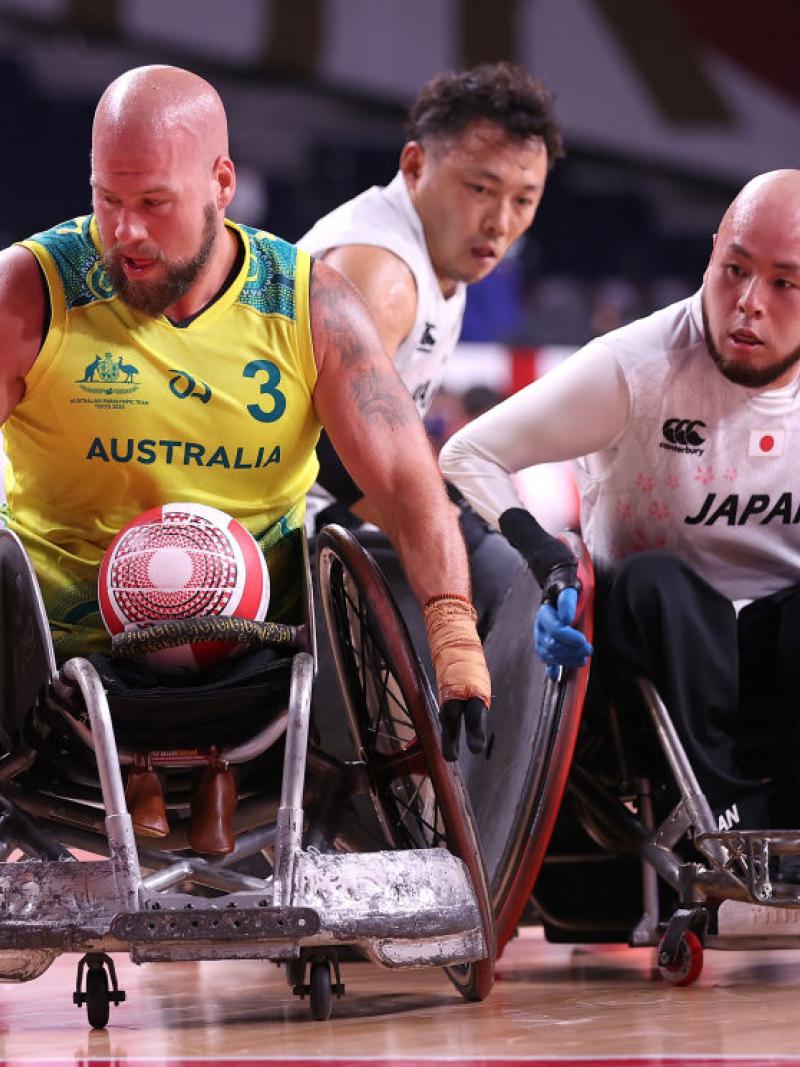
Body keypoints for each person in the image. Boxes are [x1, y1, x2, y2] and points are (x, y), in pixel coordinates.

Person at [0, 65, 491, 847]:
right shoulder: (31, 287)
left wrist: (454, 632)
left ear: (222, 182)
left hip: (259, 652)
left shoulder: (309, 301)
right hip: (56, 654)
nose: (125, 231)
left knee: (354, 560)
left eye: (153, 203)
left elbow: (404, 478)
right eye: (107, 199)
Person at [441, 169, 800, 833]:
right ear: (712, 251)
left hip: (781, 665)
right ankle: (718, 825)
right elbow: (467, 454)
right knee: (657, 583)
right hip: (650, 665)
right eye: (735, 269)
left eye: (785, 282)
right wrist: (550, 562)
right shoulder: (639, 365)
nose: (750, 301)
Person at [297, 61, 563, 534]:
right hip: (282, 530)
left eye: (523, 200)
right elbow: (323, 450)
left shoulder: (439, 255)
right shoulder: (380, 271)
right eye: (481, 189)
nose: (500, 223)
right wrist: (440, 530)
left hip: (326, 518)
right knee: (493, 562)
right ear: (416, 166)